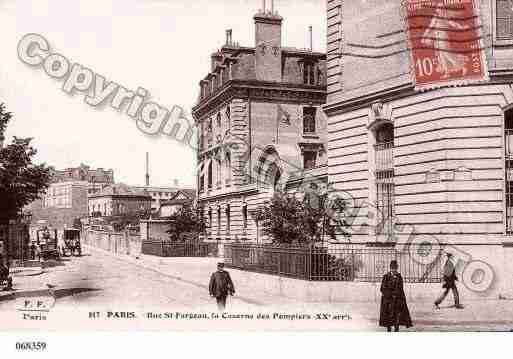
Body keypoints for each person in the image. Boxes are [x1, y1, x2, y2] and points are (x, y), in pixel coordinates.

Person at [379, 260, 413, 332]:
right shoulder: (386, 277)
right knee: (388, 318)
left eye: (395, 268)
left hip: (397, 301)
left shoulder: (399, 277)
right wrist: (390, 295)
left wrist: (397, 295)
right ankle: (389, 329)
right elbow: (382, 288)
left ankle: (396, 329)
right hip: (388, 301)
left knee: (397, 317)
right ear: (390, 268)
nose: (394, 270)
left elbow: (401, 288)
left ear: (397, 268)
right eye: (392, 268)